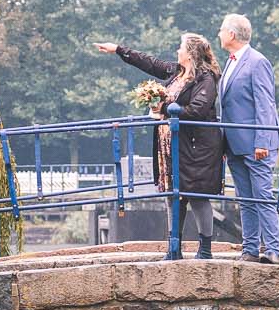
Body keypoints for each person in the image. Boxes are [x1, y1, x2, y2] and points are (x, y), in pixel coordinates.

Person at [95, 34, 224, 257]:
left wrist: (164, 109)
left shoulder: (205, 79)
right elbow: (149, 62)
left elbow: (198, 110)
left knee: (197, 196)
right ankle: (174, 247)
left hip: (196, 148)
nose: (177, 51)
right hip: (170, 148)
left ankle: (205, 250)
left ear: (191, 53)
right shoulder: (176, 72)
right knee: (172, 195)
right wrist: (118, 49)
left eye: (181, 48)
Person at [216, 13, 279, 261]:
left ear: (232, 34)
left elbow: (265, 105)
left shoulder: (257, 62)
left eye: (222, 30)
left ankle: (273, 250)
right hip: (234, 145)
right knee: (245, 199)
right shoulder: (230, 62)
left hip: (256, 145)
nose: (219, 34)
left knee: (262, 196)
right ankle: (250, 249)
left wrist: (263, 142)